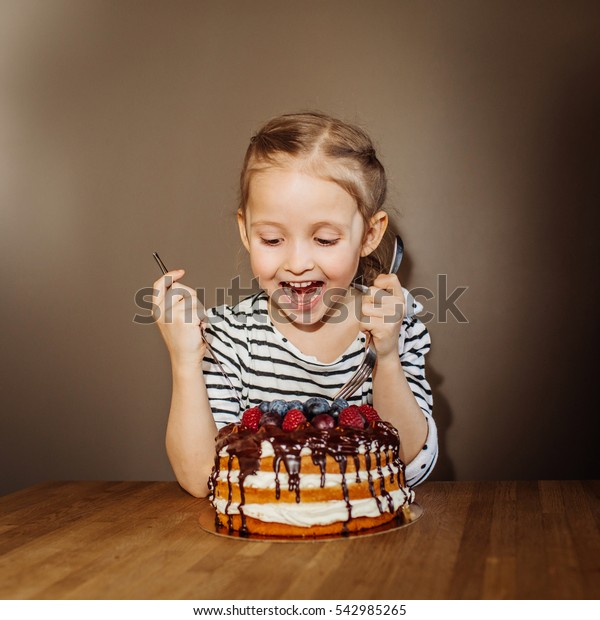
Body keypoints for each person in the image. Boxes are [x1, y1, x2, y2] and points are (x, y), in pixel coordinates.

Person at [152, 112, 437, 497]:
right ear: (246, 232)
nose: (298, 262)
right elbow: (202, 478)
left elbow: (409, 465)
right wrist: (184, 361)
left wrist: (386, 357)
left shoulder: (398, 326)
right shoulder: (229, 338)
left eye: (324, 240)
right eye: (272, 239)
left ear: (369, 235)